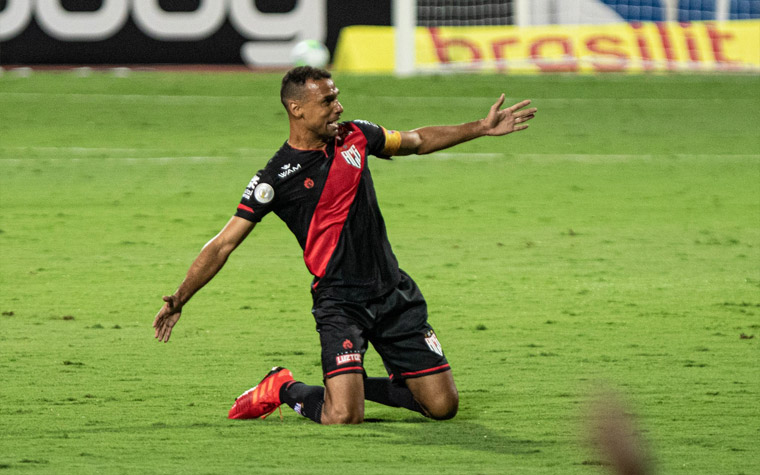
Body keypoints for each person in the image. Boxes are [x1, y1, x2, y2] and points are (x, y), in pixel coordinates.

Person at [153, 66, 536, 425]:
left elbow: (417, 141)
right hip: (341, 301)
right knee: (342, 417)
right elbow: (223, 245)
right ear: (296, 109)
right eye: (328, 101)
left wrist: (481, 128)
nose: (339, 107)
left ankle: (354, 383)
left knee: (442, 407)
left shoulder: (357, 135)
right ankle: (283, 387)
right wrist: (179, 298)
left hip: (392, 292)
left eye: (337, 97)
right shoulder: (276, 178)